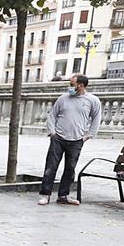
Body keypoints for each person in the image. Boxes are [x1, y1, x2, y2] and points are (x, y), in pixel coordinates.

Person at [39, 74, 102, 206]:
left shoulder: (93, 100)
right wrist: (52, 132)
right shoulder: (63, 98)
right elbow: (52, 115)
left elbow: (96, 118)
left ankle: (63, 195)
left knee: (70, 168)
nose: (70, 87)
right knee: (50, 167)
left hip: (77, 140)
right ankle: (46, 194)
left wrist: (89, 135)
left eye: (72, 84)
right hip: (58, 138)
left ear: (81, 85)